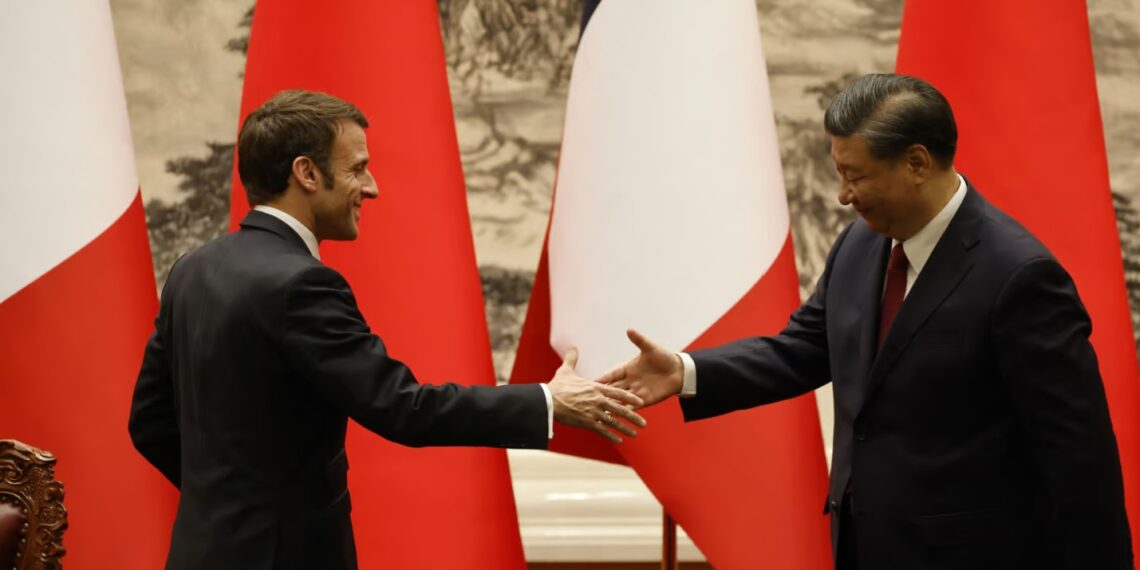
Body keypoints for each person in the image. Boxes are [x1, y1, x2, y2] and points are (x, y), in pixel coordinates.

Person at [599, 74, 1133, 569]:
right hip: (861, 548)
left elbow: (1078, 457)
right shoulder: (860, 244)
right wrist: (686, 371)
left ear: (917, 163)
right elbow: (803, 349)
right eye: (840, 174)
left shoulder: (1019, 277)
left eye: (855, 176)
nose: (843, 195)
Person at [128, 89, 646, 570]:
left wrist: (228, 508)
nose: (371, 187)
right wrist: (547, 402)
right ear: (307, 173)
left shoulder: (189, 271)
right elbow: (404, 409)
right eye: (357, 168)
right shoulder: (302, 283)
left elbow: (149, 422)